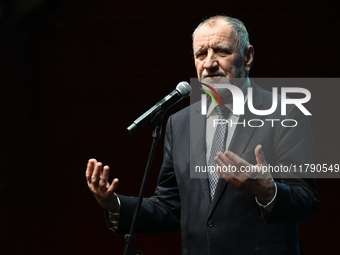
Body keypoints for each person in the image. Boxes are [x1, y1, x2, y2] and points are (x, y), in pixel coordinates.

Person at [86, 15, 319, 255]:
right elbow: (170, 207)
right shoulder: (180, 123)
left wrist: (268, 191)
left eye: (221, 51)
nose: (209, 64)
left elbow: (307, 200)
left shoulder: (285, 113)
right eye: (200, 54)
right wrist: (114, 205)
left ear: (247, 57)